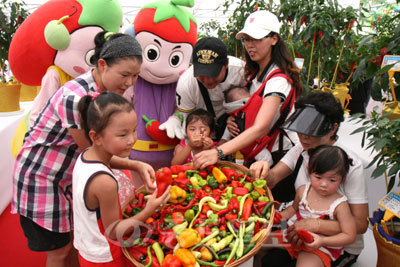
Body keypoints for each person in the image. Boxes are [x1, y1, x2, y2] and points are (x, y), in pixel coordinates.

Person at [11, 31, 154, 267]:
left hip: (67, 178)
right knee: (59, 250)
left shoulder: (102, 94)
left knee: (75, 240)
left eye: (135, 76)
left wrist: (136, 164)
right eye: (125, 74)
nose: (129, 83)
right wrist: (134, 164)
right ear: (102, 64)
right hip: (43, 179)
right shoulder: (75, 97)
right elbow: (97, 152)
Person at [250, 91, 369, 267]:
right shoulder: (301, 149)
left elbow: (360, 224)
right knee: (254, 244)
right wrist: (262, 171)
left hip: (334, 244)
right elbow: (273, 178)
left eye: (312, 132)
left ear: (333, 128)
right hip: (297, 229)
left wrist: (315, 225)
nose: (304, 137)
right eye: (300, 130)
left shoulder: (351, 165)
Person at [193, 10, 303, 183]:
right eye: (247, 39)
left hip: (279, 156)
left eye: (257, 39)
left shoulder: (277, 81)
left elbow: (260, 127)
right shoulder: (254, 75)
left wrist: (218, 151)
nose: (250, 45)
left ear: (274, 39)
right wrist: (234, 121)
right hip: (258, 151)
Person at [73, 92, 170, 266]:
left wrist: (136, 165)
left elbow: (107, 159)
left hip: (88, 247)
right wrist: (149, 210)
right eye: (123, 135)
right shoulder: (105, 183)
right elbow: (114, 231)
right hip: (106, 256)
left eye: (134, 130)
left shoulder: (87, 154)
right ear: (96, 137)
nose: (132, 139)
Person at [277, 145, 356, 267]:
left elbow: (349, 235)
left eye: (332, 180)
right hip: (291, 234)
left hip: (318, 246)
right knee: (255, 244)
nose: (324, 184)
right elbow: (293, 209)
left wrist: (323, 241)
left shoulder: (340, 205)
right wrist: (277, 217)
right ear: (309, 171)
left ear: (342, 178)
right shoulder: (303, 191)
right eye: (318, 177)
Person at [159, 36, 246, 141]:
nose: (208, 81)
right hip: (203, 130)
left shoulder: (241, 72)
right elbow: (185, 115)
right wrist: (176, 118)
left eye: (213, 74)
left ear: (226, 64)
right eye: (202, 74)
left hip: (235, 129)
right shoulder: (186, 82)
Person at [221, 86, 273, 165]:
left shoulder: (259, 108)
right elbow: (226, 136)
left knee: (266, 160)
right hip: (247, 148)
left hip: (257, 145)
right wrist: (221, 146)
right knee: (265, 159)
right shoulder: (233, 119)